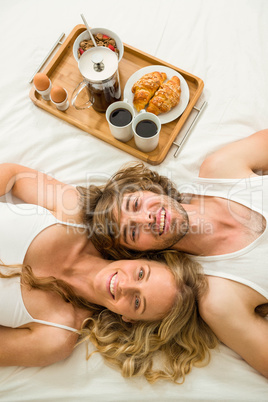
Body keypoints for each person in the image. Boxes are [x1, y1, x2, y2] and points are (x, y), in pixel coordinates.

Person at [0, 163, 216, 379]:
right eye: (141, 274)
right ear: (141, 257)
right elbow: (15, 176)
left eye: (137, 302)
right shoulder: (75, 213)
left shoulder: (55, 338)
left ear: (129, 319)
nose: (125, 285)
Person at [82, 128, 268, 378]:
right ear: (141, 254)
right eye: (133, 232)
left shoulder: (221, 169)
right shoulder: (221, 300)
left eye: (135, 204)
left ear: (148, 189)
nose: (145, 217)